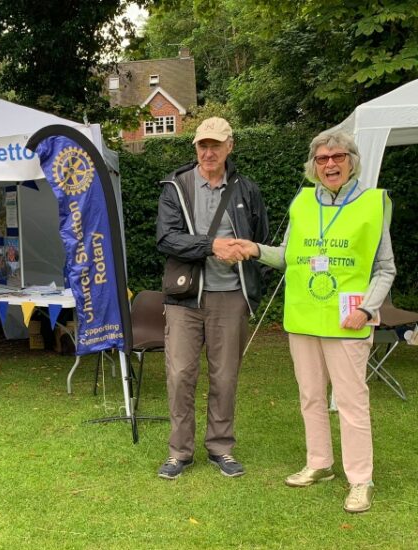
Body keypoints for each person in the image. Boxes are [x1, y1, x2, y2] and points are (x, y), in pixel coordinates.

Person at [236, 130, 395, 513]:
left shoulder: (373, 204)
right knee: (310, 398)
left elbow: (385, 268)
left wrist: (367, 308)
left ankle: (360, 479)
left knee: (352, 402)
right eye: (322, 159)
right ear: (314, 166)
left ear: (351, 161)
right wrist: (254, 249)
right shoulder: (303, 202)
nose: (330, 165)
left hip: (348, 322)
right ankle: (320, 463)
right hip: (304, 318)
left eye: (337, 157)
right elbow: (288, 256)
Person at [156, 117, 269, 480]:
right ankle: (179, 453)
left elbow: (260, 244)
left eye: (216, 145)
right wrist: (211, 246)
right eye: (203, 145)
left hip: (231, 298)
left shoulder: (247, 189)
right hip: (185, 298)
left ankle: (221, 447)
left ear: (229, 147)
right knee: (180, 375)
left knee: (225, 377)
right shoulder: (176, 186)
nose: (209, 152)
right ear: (195, 148)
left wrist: (253, 285)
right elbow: (166, 239)